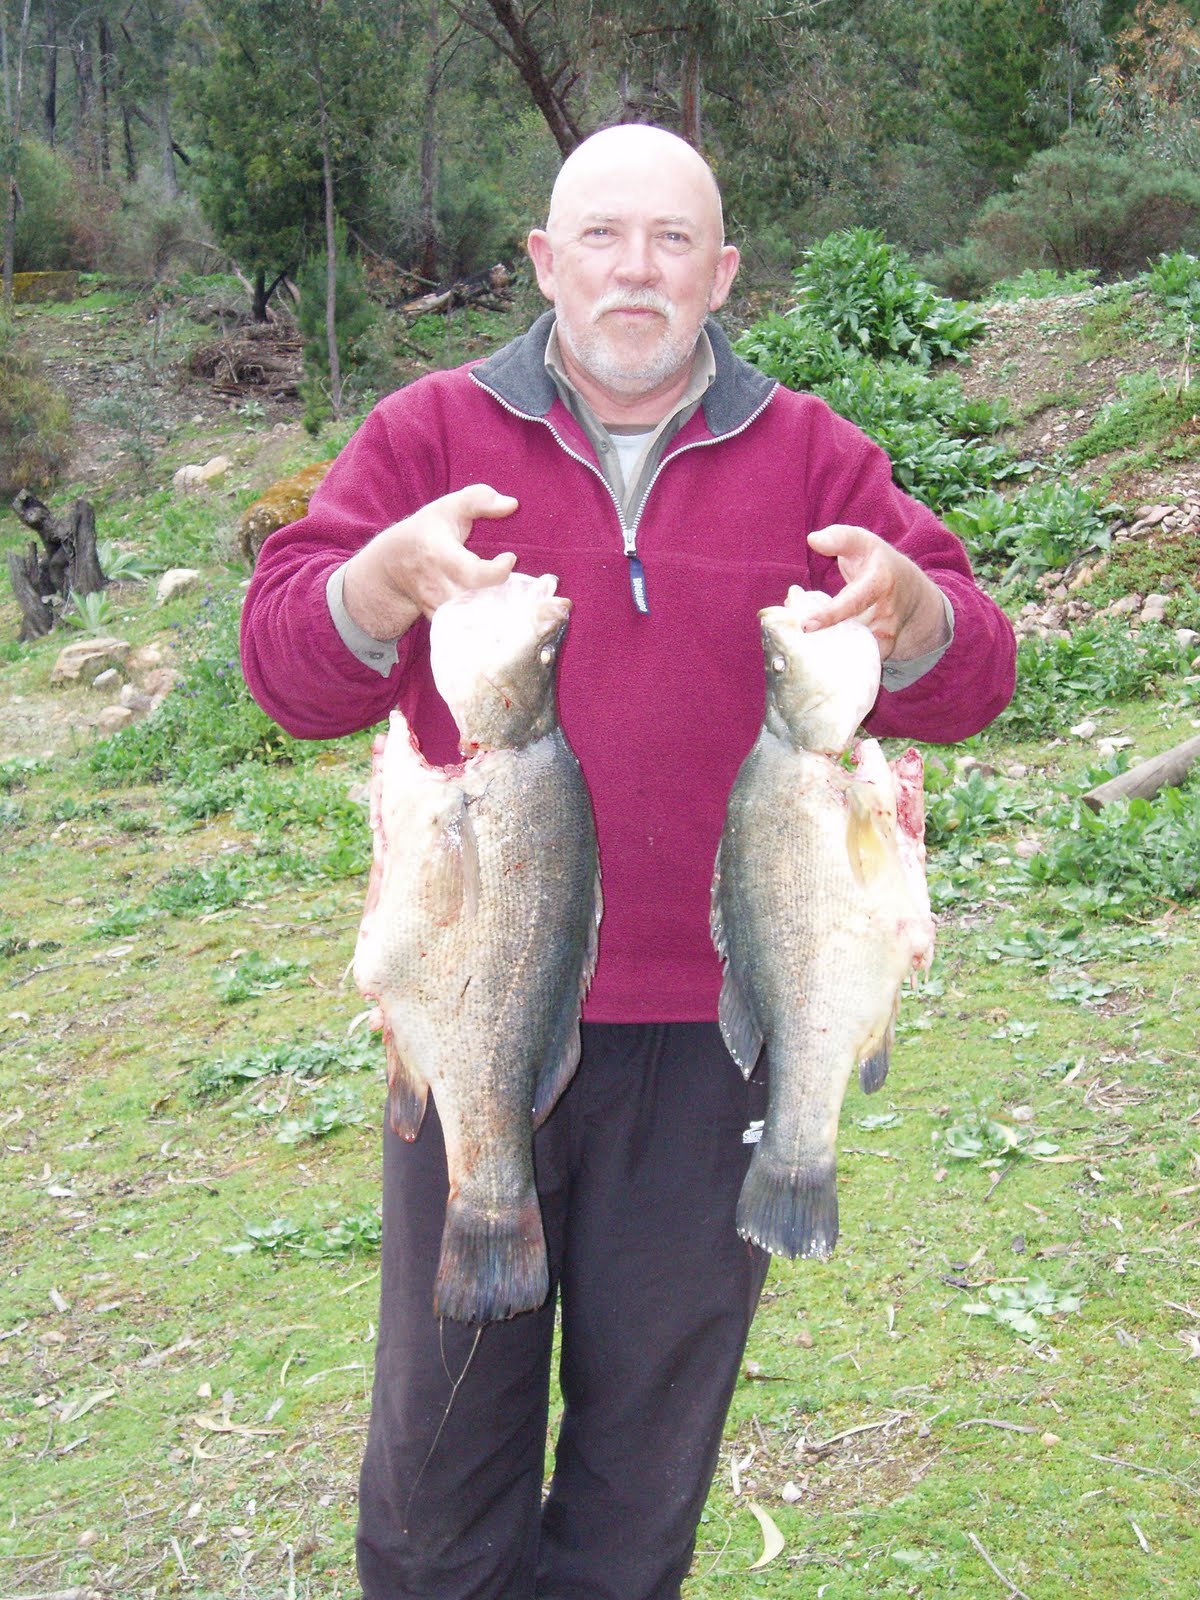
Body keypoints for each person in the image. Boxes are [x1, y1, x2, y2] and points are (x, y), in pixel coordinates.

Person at [241, 123, 1016, 1600]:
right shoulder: (426, 435)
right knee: (436, 1466)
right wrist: (370, 583)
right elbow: (288, 675)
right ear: (543, 258)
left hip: (714, 1033)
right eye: (602, 235)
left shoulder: (815, 456)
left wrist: (918, 612)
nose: (637, 270)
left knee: (644, 1462)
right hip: (473, 1016)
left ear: (724, 271)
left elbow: (975, 674)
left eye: (674, 240)